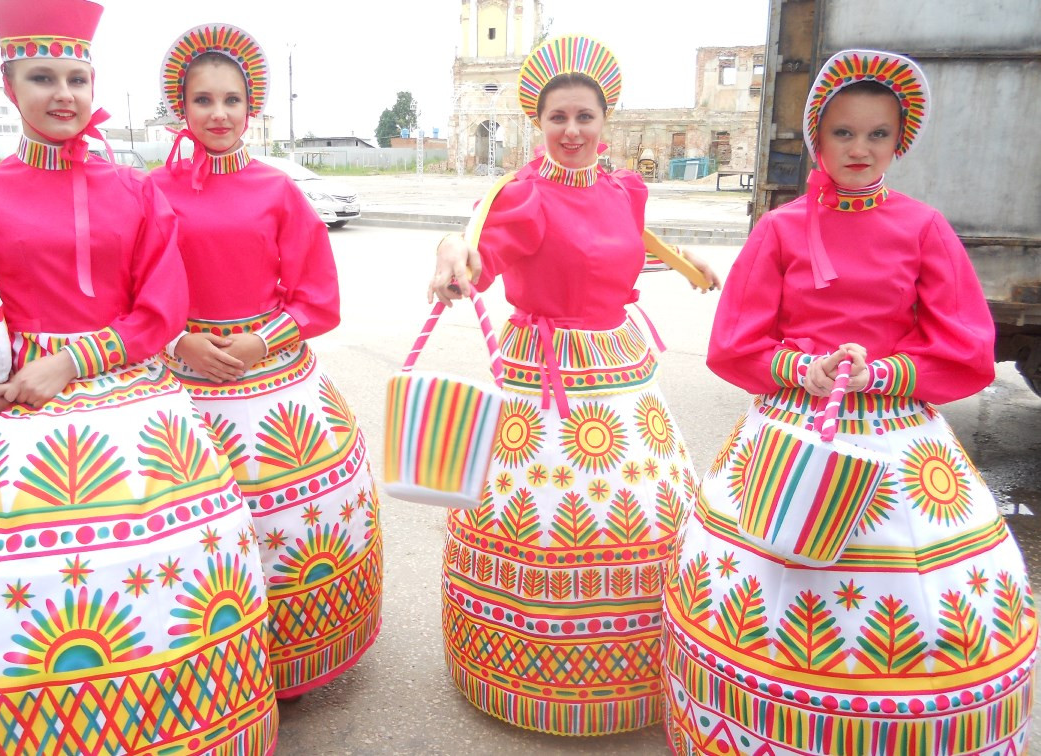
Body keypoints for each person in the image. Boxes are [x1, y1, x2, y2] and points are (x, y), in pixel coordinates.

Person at [0, 2, 277, 752]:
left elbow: (162, 305)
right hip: (18, 421)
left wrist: (73, 360)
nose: (63, 94)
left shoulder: (134, 191)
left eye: (77, 78)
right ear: (8, 84)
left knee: (166, 587)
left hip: (141, 417)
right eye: (42, 77)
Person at [662, 50, 1037, 755]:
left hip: (900, 444)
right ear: (816, 139)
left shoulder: (924, 227)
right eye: (842, 133)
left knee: (932, 618)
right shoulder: (778, 229)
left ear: (899, 140)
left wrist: (882, 374)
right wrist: (802, 370)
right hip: (791, 433)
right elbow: (734, 345)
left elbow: (963, 348)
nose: (859, 149)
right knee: (762, 590)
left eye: (876, 134)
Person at [428, 35, 721, 736]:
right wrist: (451, 256)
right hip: (545, 378)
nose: (570, 131)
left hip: (621, 374)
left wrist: (684, 263)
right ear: (537, 122)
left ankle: (633, 674)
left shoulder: (625, 187)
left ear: (604, 121)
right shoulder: (519, 195)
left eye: (583, 117)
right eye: (556, 117)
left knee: (640, 518)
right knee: (544, 523)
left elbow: (620, 246)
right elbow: (477, 245)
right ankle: (526, 673)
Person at [150, 24, 383, 699]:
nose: (218, 115)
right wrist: (177, 340)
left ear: (252, 109)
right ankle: (206, 663)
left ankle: (288, 663)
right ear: (181, 108)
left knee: (285, 528)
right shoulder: (148, 193)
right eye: (202, 101)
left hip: (275, 381)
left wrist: (259, 343)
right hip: (183, 385)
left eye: (232, 100)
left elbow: (317, 297)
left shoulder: (278, 192)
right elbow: (133, 289)